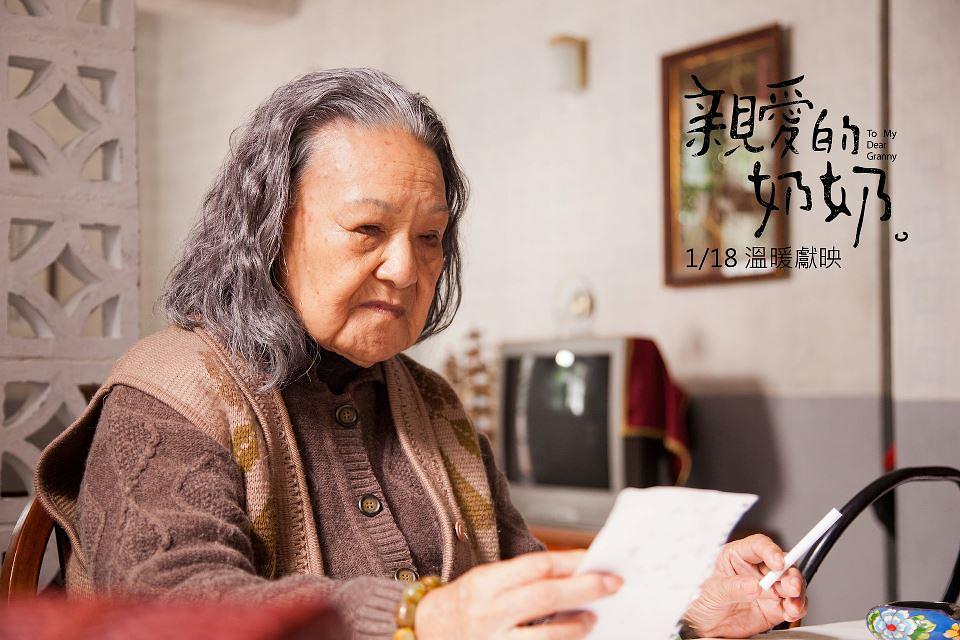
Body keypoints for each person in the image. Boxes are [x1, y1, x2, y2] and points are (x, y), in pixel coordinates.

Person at [35, 68, 806, 640]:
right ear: (269, 231)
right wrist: (421, 618)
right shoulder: (171, 392)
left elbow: (520, 597)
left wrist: (684, 606)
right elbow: (170, 606)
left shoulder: (429, 403)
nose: (406, 269)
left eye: (430, 237)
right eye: (367, 231)